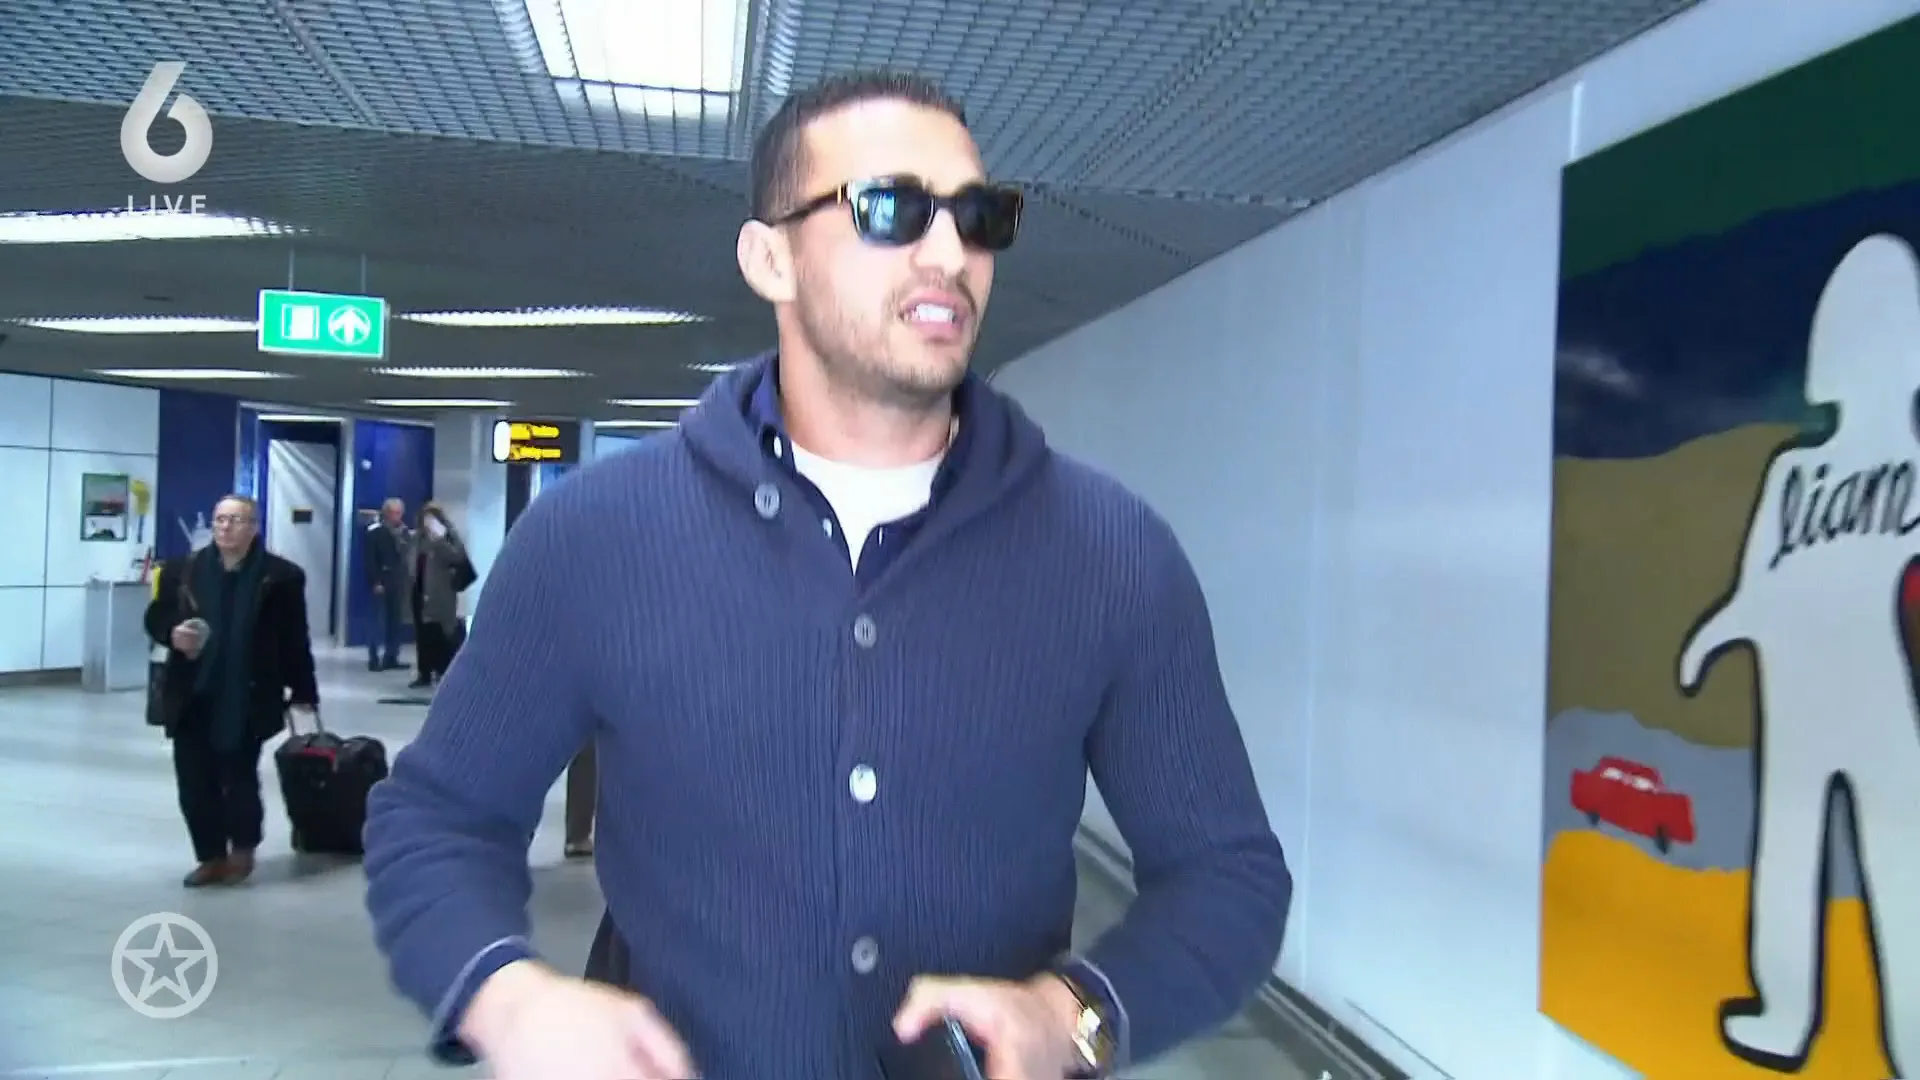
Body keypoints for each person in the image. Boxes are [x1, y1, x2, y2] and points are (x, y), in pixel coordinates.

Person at [363, 71, 1290, 1080]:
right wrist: (506, 999)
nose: (951, 254)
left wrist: (1074, 1016)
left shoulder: (1113, 554)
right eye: (892, 209)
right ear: (771, 257)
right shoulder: (593, 538)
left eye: (978, 217)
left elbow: (1227, 878)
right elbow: (438, 818)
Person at [146, 494, 319, 887]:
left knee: (237, 776)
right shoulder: (183, 570)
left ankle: (242, 849)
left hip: (246, 693)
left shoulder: (280, 577)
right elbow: (156, 616)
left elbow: (294, 638)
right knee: (193, 781)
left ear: (253, 527)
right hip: (192, 692)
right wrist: (172, 633)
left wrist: (304, 690)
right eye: (220, 519)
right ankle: (210, 856)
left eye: (236, 520)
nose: (225, 527)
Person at [408, 502, 468, 689]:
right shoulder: (417, 537)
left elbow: (458, 556)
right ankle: (424, 672)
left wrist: (440, 539)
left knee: (441, 631)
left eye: (432, 518)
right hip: (419, 590)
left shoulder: (447, 536)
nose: (428, 522)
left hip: (441, 592)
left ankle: (443, 670)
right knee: (422, 633)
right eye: (425, 518)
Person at [364, 497, 411, 671]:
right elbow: (370, 560)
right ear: (386, 513)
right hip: (382, 581)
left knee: (396, 620)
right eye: (394, 513)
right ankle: (373, 658)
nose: (397, 516)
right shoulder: (375, 532)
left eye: (399, 513)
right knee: (378, 621)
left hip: (399, 581)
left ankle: (391, 656)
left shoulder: (405, 533)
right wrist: (375, 581)